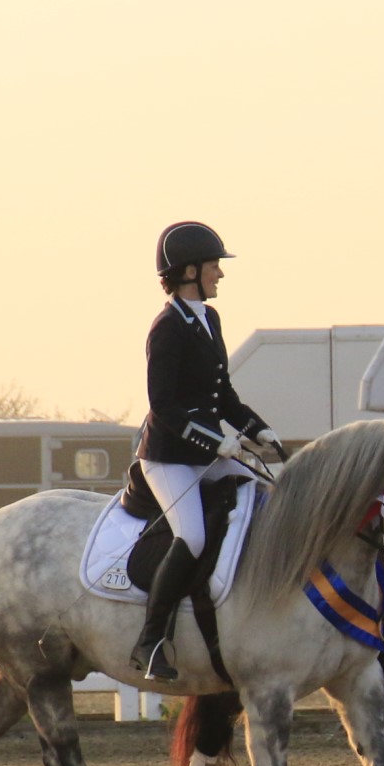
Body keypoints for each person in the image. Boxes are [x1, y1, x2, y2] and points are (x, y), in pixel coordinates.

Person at [130, 221, 281, 682]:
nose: (220, 273)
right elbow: (165, 406)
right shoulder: (167, 328)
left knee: (263, 502)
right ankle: (151, 640)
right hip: (168, 458)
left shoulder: (208, 319)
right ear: (190, 270)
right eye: (214, 265)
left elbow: (223, 396)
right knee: (192, 537)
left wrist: (259, 429)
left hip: (207, 453)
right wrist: (215, 440)